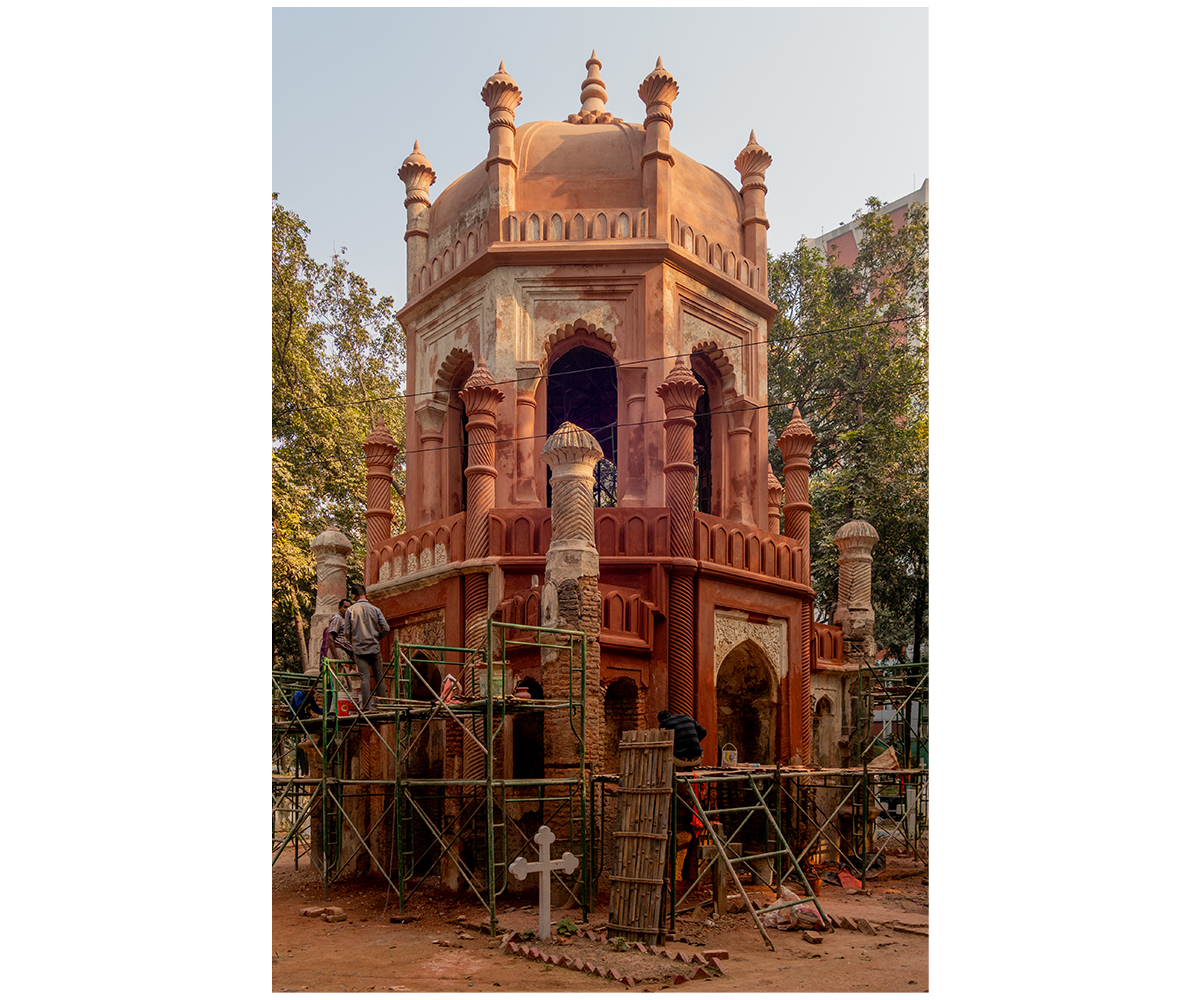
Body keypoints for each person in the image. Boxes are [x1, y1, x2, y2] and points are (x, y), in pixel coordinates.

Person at [336, 584, 391, 711]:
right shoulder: (375, 609)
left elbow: (347, 633)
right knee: (379, 676)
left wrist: (355, 641)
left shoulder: (350, 610)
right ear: (366, 594)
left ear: (354, 596)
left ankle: (366, 707)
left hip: (359, 649)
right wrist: (376, 637)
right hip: (374, 647)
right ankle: (383, 704)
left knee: (364, 678)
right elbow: (386, 628)